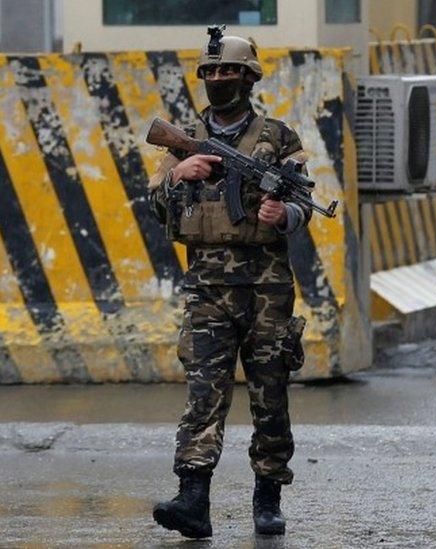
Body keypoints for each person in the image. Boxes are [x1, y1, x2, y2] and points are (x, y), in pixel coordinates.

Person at [146, 26, 311, 539]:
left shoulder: (279, 137)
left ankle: (268, 494)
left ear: (249, 78)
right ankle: (192, 499)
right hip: (209, 288)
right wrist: (179, 175)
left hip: (267, 289)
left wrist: (282, 212)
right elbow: (155, 206)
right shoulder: (184, 144)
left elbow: (306, 202)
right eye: (212, 71)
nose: (219, 79)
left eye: (229, 71)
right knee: (204, 395)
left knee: (270, 395)